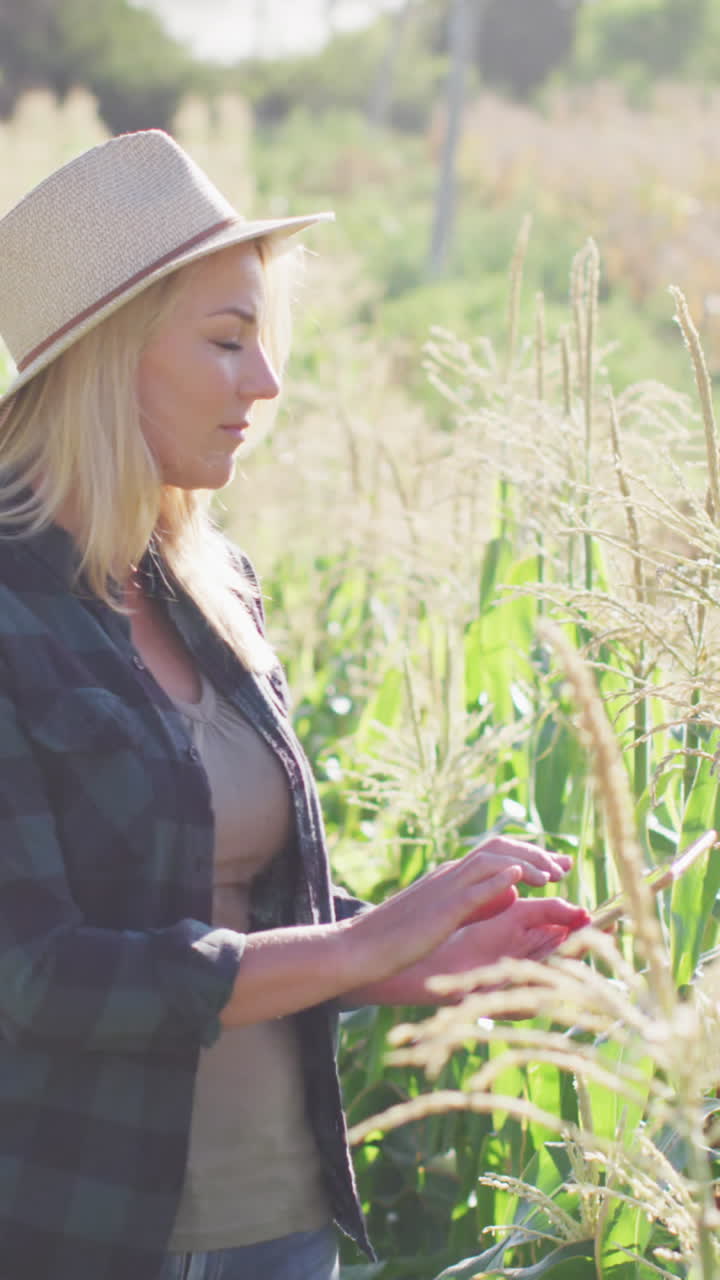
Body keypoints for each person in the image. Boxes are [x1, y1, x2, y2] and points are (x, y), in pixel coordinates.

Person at [0, 129, 590, 1280]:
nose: (265, 382)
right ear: (107, 356)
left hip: (280, 1220)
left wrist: (418, 955)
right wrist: (357, 940)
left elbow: (239, 897)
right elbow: (38, 974)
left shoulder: (214, 585)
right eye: (228, 340)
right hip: (89, 1229)